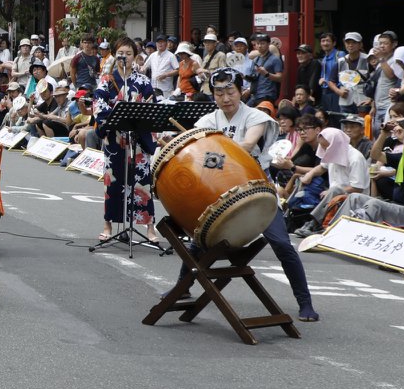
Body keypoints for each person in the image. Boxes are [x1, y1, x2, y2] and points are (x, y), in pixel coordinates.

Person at [187, 68, 319, 321]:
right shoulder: (209, 120)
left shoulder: (255, 116)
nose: (225, 98)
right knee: (198, 239)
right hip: (222, 191)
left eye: (230, 92)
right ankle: (182, 288)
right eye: (219, 93)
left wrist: (210, 148)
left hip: (257, 188)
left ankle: (305, 302)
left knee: (282, 244)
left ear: (241, 92)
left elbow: (247, 144)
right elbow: (195, 147)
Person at [92, 40, 162, 245]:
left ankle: (149, 226)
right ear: (115, 56)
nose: (124, 57)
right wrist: (115, 115)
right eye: (120, 53)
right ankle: (108, 225)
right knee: (112, 183)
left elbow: (152, 108)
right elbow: (99, 104)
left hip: (137, 138)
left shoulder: (142, 81)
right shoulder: (106, 80)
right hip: (114, 138)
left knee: (142, 182)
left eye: (128, 53)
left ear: (135, 56)